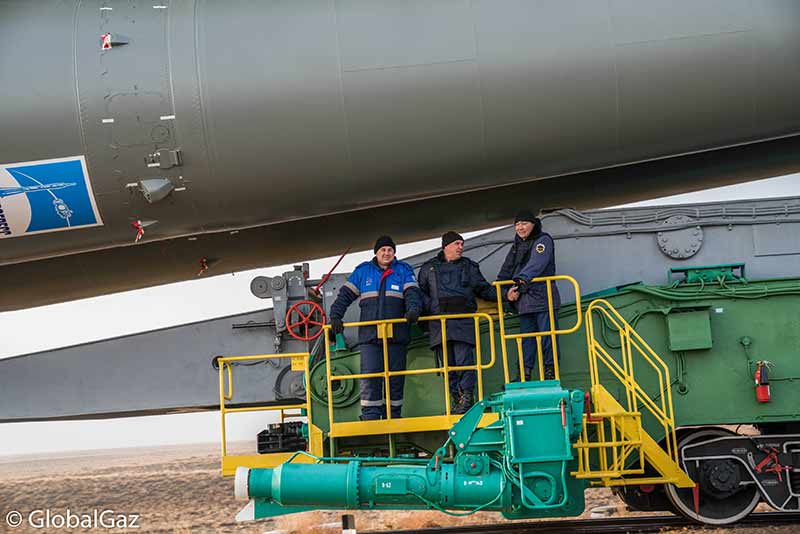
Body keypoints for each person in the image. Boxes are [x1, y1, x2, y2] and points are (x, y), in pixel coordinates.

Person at [329, 235, 422, 420]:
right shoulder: (363, 272)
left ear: (394, 252)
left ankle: (393, 416)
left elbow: (412, 294)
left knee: (395, 378)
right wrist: (335, 316)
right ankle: (371, 416)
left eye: (390, 250)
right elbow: (345, 296)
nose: (386, 253)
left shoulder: (403, 270)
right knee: (370, 376)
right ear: (376, 253)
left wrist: (413, 309)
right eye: (383, 250)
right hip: (370, 335)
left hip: (396, 334)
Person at [418, 231, 496, 414]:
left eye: (462, 244)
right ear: (446, 246)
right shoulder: (428, 268)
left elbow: (484, 289)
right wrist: (429, 311)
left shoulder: (469, 267)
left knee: (465, 363)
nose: (461, 247)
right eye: (457, 244)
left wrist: (506, 294)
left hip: (462, 324)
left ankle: (467, 398)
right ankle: (457, 399)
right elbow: (420, 294)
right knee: (448, 367)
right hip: (439, 324)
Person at [497, 210, 561, 380]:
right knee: (526, 340)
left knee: (548, 338)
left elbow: (536, 264)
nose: (520, 227)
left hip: (544, 299)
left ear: (533, 224)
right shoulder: (516, 246)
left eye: (524, 223)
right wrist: (504, 292)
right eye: (517, 224)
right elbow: (505, 271)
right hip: (524, 302)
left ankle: (550, 372)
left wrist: (519, 284)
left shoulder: (543, 240)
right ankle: (524, 374)